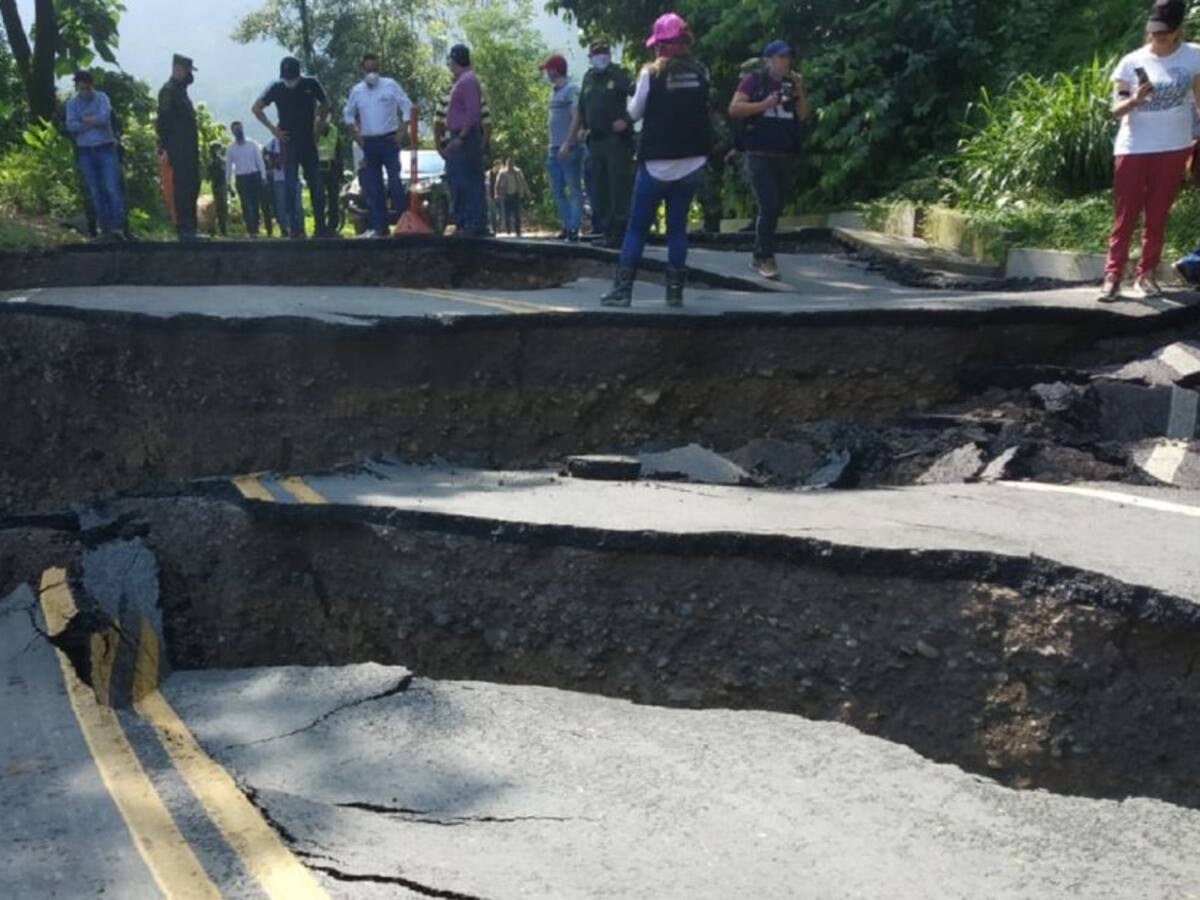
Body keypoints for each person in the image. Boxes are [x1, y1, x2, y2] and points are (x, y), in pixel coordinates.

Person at [601, 13, 711, 308]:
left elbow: (635, 112)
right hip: (692, 162)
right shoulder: (702, 71)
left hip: (657, 164)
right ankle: (674, 293)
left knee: (637, 228)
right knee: (677, 229)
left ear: (660, 45)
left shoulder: (651, 73)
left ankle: (623, 291)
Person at [1101, 0, 1200, 301]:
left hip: (1174, 145)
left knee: (1157, 214)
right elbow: (1115, 110)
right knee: (1126, 213)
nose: (1158, 36)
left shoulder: (1194, 56)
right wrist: (1135, 100)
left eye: (1165, 32)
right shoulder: (1131, 62)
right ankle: (1113, 275)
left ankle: (1146, 274)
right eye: (1154, 31)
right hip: (1134, 145)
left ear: (1177, 31)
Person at [729, 40, 808, 280]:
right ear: (769, 59)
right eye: (781, 57)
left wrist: (800, 90)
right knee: (769, 204)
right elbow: (734, 109)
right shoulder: (754, 80)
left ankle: (758, 255)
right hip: (758, 153)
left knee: (775, 207)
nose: (786, 61)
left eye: (788, 57)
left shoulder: (790, 82)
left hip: (783, 152)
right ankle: (766, 257)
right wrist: (764, 105)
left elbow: (803, 115)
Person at [253, 56, 330, 238]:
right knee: (290, 185)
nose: (291, 82)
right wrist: (274, 130)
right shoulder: (277, 87)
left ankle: (320, 226)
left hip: (308, 141)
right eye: (287, 78)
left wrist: (318, 128)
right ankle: (294, 228)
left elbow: (325, 103)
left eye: (293, 78)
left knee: (316, 184)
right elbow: (257, 108)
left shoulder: (311, 84)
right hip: (289, 143)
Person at [343, 53, 412, 239]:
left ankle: (405, 224)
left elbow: (407, 106)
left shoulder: (390, 85)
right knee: (374, 186)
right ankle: (379, 227)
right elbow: (348, 114)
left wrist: (402, 132)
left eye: (375, 69)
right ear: (362, 70)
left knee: (396, 184)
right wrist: (357, 136)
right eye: (368, 70)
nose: (372, 73)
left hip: (389, 141)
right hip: (369, 143)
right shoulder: (357, 91)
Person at [574, 41, 635, 248]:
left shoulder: (619, 74)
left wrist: (627, 120)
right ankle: (608, 231)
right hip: (595, 141)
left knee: (618, 186)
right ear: (590, 57)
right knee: (599, 188)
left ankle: (621, 232)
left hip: (616, 140)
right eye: (596, 53)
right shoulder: (588, 78)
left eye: (604, 53)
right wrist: (581, 128)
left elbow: (637, 97)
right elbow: (583, 107)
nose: (600, 56)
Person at [65, 70, 126, 242]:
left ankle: (118, 227)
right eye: (80, 85)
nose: (83, 88)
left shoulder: (102, 98)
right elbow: (71, 125)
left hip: (105, 147)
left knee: (111, 187)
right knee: (95, 190)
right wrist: (92, 122)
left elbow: (104, 117)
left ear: (91, 85)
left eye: (86, 85)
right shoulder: (72, 104)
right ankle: (104, 228)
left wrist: (84, 120)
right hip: (85, 151)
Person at [437, 44, 489, 237]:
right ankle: (466, 223)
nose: (449, 63)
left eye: (450, 59)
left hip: (465, 138)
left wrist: (461, 137)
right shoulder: (463, 80)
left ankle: (472, 223)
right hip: (460, 136)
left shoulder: (467, 81)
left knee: (465, 180)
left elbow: (473, 112)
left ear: (456, 59)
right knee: (459, 179)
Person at [157, 53, 200, 240]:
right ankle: (184, 230)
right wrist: (164, 147)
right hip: (177, 147)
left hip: (189, 147)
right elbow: (163, 120)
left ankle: (191, 229)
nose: (190, 75)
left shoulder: (181, 91)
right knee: (182, 187)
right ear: (178, 69)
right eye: (187, 71)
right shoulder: (168, 91)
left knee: (192, 185)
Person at [540, 54, 583, 241]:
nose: (546, 73)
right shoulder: (554, 91)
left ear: (556, 70)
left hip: (568, 147)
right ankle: (566, 225)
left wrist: (568, 141)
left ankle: (574, 227)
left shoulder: (571, 89)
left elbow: (576, 116)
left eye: (548, 69)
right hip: (553, 147)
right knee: (557, 190)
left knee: (573, 189)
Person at [226, 121, 266, 236]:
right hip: (241, 178)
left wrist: (263, 177)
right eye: (235, 129)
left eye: (239, 128)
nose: (238, 131)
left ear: (242, 129)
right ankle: (251, 229)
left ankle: (256, 228)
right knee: (245, 204)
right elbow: (229, 167)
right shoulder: (231, 149)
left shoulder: (252, 145)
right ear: (232, 132)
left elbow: (260, 161)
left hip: (253, 176)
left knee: (254, 204)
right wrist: (228, 182)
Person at [495, 157, 530, 236]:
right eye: (509, 164)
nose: (510, 165)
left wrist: (528, 192)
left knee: (517, 214)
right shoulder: (502, 173)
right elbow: (497, 184)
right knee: (507, 214)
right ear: (507, 164)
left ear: (514, 164)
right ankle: (508, 230)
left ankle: (518, 231)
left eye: (512, 164)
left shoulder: (518, 172)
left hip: (516, 194)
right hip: (506, 195)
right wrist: (496, 194)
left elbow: (523, 182)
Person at [206, 141, 229, 236]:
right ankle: (220, 228)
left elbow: (226, 174)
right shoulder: (211, 161)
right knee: (219, 207)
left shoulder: (222, 160)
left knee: (223, 207)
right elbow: (209, 176)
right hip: (216, 186)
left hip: (222, 185)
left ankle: (223, 228)